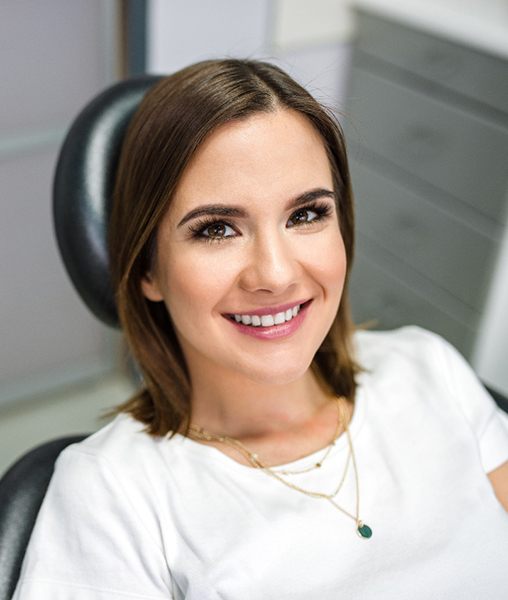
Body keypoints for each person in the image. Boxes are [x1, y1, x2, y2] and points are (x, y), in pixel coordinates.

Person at [13, 59, 508, 600]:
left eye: (305, 215)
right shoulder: (110, 493)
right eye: (217, 229)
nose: (275, 274)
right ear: (148, 267)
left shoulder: (428, 368)